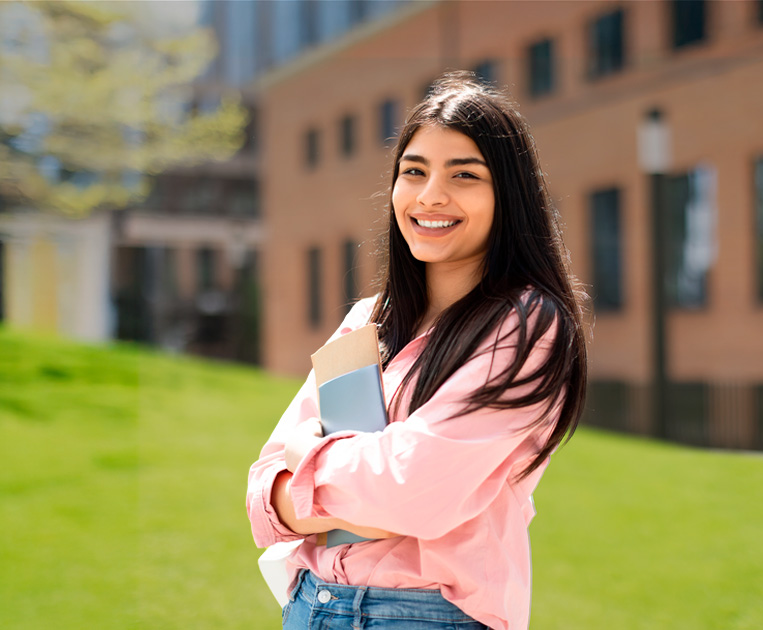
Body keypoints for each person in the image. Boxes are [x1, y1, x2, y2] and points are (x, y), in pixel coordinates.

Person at [246, 71, 587, 630]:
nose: (431, 195)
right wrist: (355, 498)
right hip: (311, 606)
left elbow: (409, 496)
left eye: (464, 175)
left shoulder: (526, 328)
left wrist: (305, 464)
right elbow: (262, 488)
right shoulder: (368, 319)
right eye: (414, 172)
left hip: (424, 617)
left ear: (510, 197)